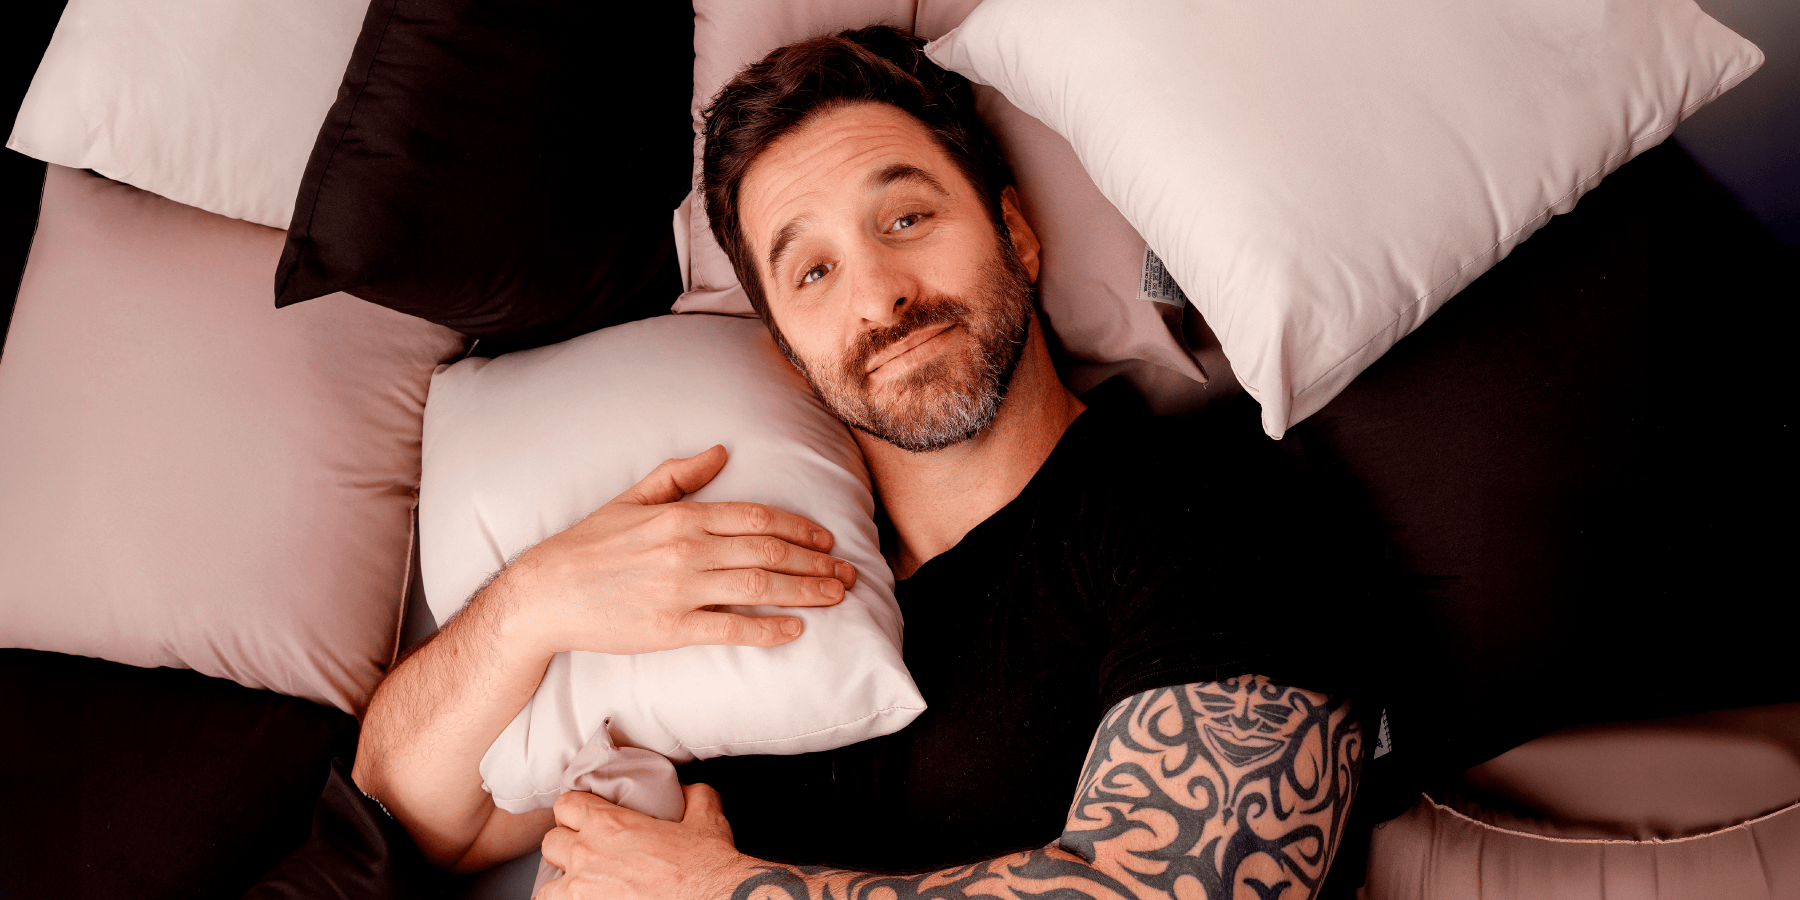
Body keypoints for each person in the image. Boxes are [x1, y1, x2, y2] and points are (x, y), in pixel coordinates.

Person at [354, 26, 1369, 900]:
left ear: (1016, 235)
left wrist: (726, 890)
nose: (880, 296)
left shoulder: (1205, 509)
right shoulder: (748, 572)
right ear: (787, 347)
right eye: (814, 271)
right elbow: (424, 819)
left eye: (907, 220)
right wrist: (531, 604)